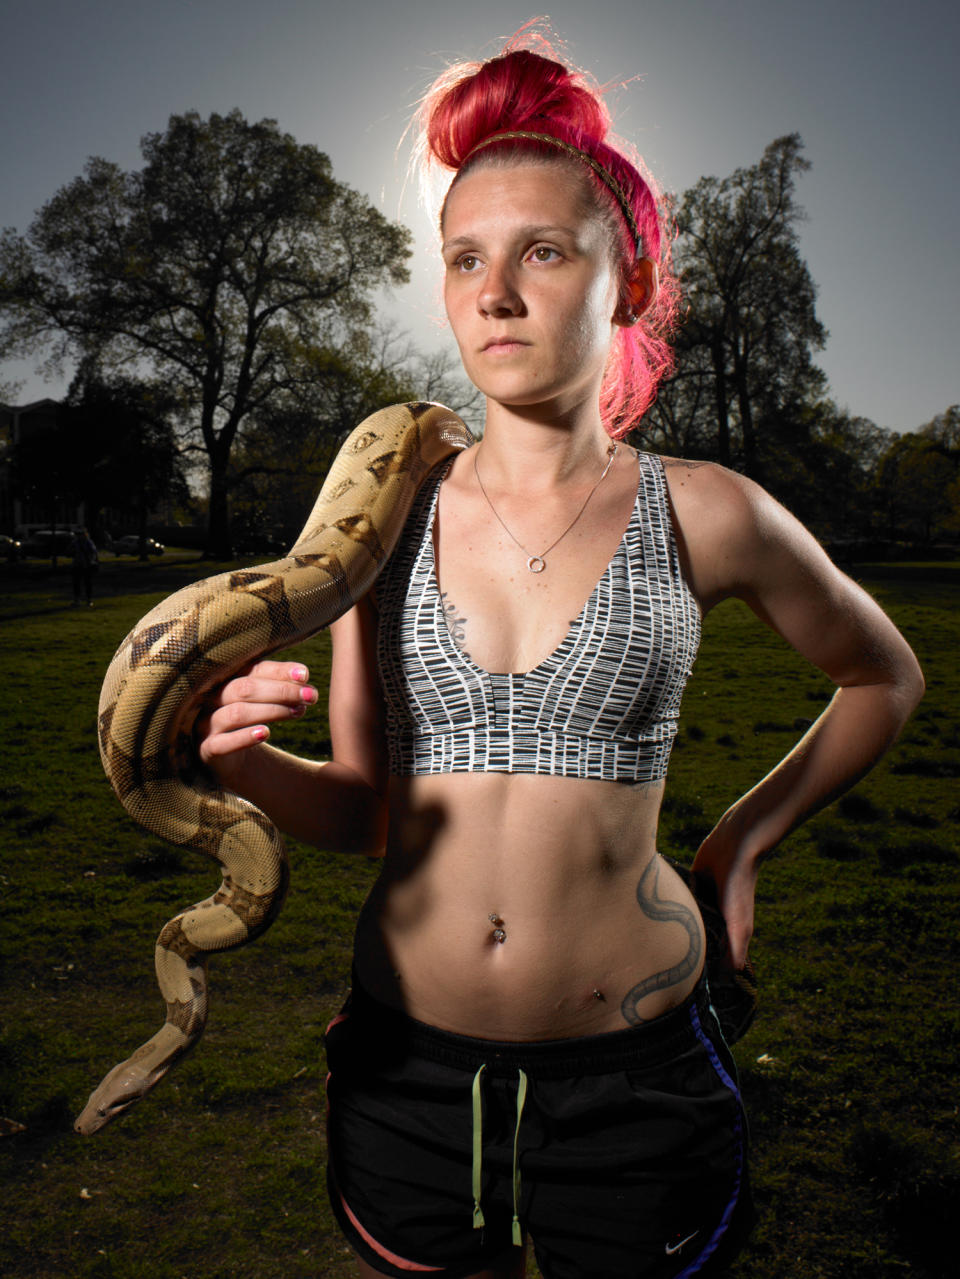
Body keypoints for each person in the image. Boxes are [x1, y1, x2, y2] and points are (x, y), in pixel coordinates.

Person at [196, 36, 923, 1279]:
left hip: (633, 1080)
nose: (496, 292)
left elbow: (884, 675)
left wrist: (740, 843)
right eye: (466, 258)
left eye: (542, 251)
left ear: (626, 280)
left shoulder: (710, 511)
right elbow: (372, 814)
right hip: (405, 1068)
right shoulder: (383, 524)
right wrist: (244, 760)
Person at [71, 527, 98, 606]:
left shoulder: (88, 542)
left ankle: (88, 600)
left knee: (87, 584)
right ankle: (78, 599)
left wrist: (90, 560)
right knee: (77, 584)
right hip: (78, 564)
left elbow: (93, 552)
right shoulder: (75, 542)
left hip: (86, 565)